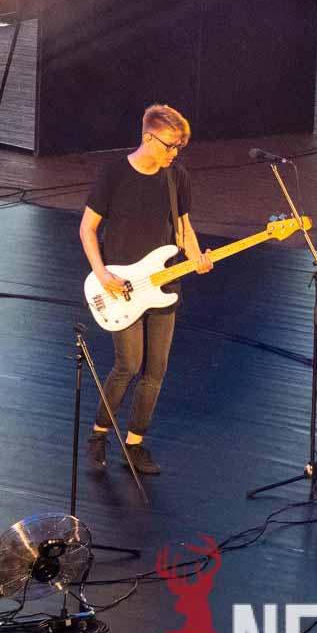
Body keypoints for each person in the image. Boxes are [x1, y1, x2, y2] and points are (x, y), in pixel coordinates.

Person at [78, 104, 213, 476]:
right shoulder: (115, 175)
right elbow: (87, 228)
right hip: (121, 286)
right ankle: (99, 434)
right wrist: (102, 273)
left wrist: (197, 257)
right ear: (148, 138)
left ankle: (134, 444)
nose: (174, 153)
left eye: (179, 147)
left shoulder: (176, 177)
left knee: (155, 371)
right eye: (170, 145)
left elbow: (183, 228)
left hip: (164, 284)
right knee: (128, 364)